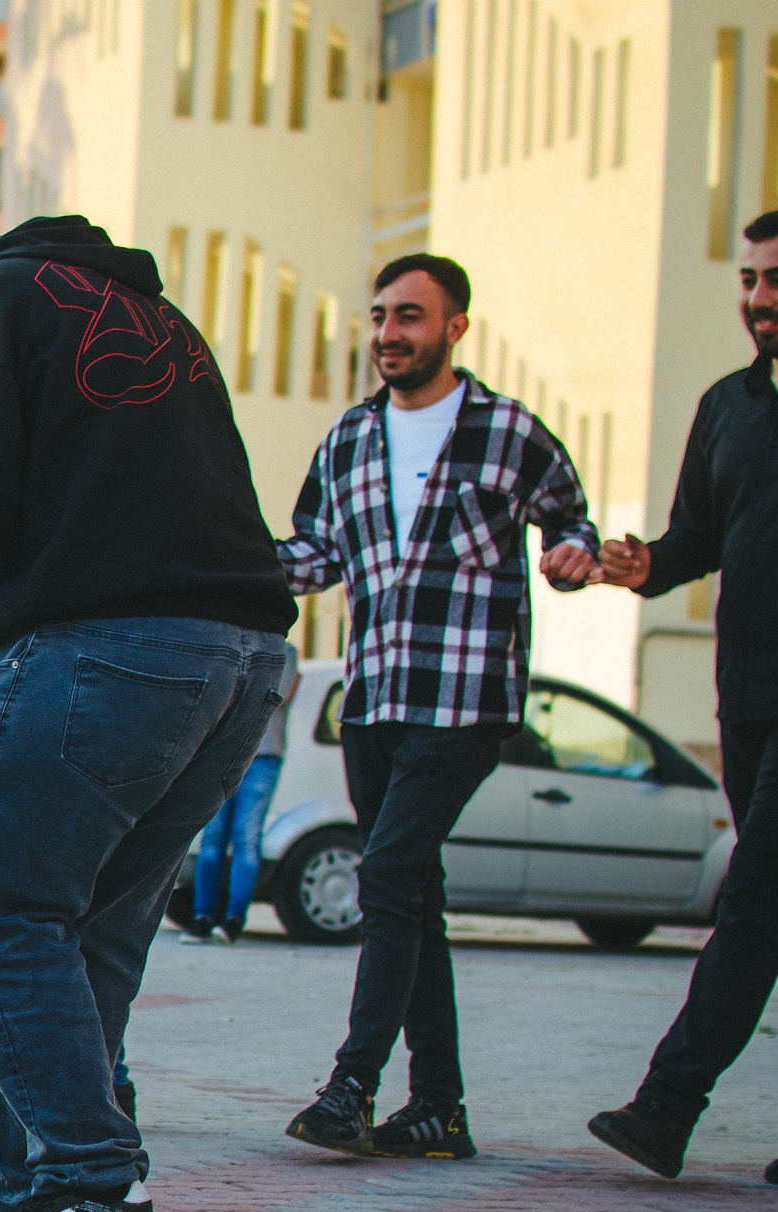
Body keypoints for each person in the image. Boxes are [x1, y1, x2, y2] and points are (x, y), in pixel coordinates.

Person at [0, 207, 297, 1212]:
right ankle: (18, 1189)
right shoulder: (157, 317)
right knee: (86, 932)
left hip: (97, 646)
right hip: (238, 660)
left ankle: (94, 1180)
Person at [274, 254, 596, 1160]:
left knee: (387, 873)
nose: (388, 335)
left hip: (466, 698)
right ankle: (440, 1107)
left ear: (455, 327)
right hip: (374, 698)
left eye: (409, 317)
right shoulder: (348, 438)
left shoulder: (509, 431)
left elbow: (572, 521)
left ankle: (352, 1086)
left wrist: (573, 556)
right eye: (379, 317)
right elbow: (312, 556)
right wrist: (217, 562)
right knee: (414, 895)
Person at [564, 210, 778, 1187]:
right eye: (748, 280)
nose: (758, 299)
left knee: (752, 899)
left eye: (776, 280)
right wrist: (637, 564)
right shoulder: (728, 405)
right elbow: (694, 537)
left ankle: (665, 1106)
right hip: (744, 692)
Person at [181, 637, 304, 942]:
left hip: (263, 757)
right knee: (212, 837)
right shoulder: (235, 643)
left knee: (246, 839)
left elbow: (275, 695)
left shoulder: (286, 653)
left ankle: (234, 919)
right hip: (223, 753)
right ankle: (202, 917)